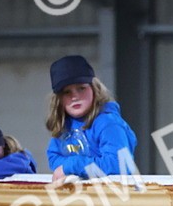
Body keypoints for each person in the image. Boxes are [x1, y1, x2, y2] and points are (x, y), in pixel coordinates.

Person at [45, 55, 138, 183]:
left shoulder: (108, 123)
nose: (75, 97)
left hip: (115, 192)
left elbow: (120, 164)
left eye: (81, 88)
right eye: (66, 92)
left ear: (94, 89)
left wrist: (73, 165)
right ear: (58, 99)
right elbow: (53, 157)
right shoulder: (64, 126)